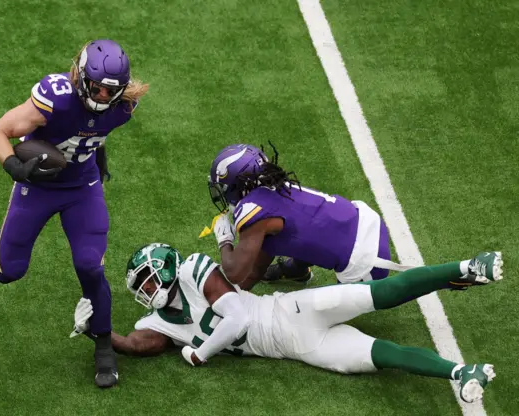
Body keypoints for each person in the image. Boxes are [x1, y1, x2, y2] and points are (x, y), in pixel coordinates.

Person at [72, 243, 502, 403]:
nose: (147, 289)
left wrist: (201, 352)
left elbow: (237, 317)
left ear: (167, 269)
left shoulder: (192, 271)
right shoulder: (158, 321)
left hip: (291, 311)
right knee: (378, 356)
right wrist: (98, 330)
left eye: (148, 278)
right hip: (296, 348)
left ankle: (467, 265)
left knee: (381, 295)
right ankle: (458, 372)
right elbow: (136, 343)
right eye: (140, 285)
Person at [0, 39, 148, 388]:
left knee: (90, 265)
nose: (103, 98)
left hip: (82, 188)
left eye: (111, 92)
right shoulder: (56, 97)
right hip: (39, 187)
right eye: (97, 88)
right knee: (9, 271)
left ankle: (105, 347)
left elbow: (92, 131)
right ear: (80, 76)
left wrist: (97, 153)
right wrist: (14, 165)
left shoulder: (124, 106)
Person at [206, 143, 409, 290]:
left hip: (365, 264)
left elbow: (235, 273)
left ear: (237, 185)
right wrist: (234, 296)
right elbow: (256, 267)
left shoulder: (254, 211)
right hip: (366, 221)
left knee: (296, 321)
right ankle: (296, 269)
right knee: (305, 225)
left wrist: (225, 240)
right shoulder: (278, 186)